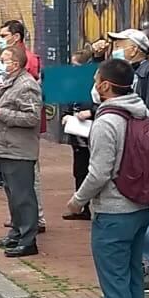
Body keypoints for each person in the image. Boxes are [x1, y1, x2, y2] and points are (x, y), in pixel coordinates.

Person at [64, 59, 149, 298]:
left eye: (96, 79)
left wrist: (77, 201)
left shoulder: (107, 121)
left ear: (104, 85)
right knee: (132, 279)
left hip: (113, 211)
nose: (93, 84)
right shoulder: (141, 111)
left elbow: (99, 172)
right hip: (140, 207)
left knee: (114, 283)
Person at [109, 28, 149, 293]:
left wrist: (142, 148)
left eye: (120, 43)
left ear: (135, 48)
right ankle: (142, 264)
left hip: (145, 158)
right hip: (130, 157)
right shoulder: (130, 76)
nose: (116, 48)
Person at [0, 46, 43, 257]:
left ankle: (28, 239)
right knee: (13, 195)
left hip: (18, 150)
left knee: (23, 196)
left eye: (5, 60)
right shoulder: (11, 82)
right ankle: (16, 233)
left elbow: (31, 117)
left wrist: (1, 113)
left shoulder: (26, 85)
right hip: (5, 148)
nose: (1, 64)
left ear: (16, 64)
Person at [61, 49, 98, 221]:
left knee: (95, 170)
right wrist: (66, 116)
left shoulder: (98, 86)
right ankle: (82, 207)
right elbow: (67, 104)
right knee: (79, 170)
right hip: (77, 135)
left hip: (92, 133)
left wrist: (90, 112)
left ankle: (93, 205)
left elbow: (106, 105)